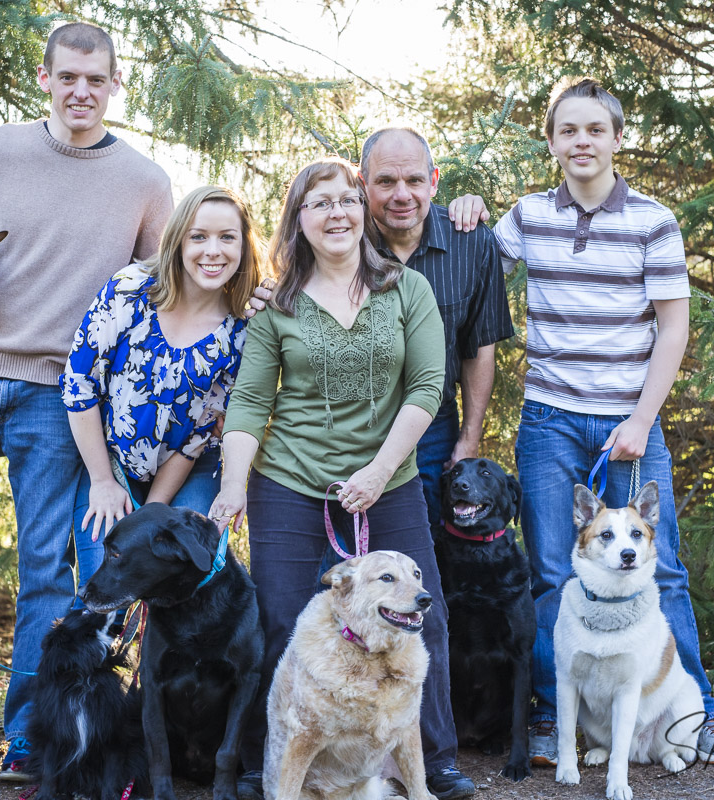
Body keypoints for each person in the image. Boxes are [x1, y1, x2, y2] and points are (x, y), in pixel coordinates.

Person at [0, 21, 173, 782]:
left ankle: (27, 737)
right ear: (45, 79)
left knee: (46, 571)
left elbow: (159, 288)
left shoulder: (146, 182)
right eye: (68, 77)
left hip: (60, 394)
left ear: (117, 85)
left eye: (97, 79)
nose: (82, 90)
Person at [457, 76, 714, 767]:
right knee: (556, 571)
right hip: (549, 423)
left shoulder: (653, 220)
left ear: (618, 139)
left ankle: (694, 717)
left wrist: (643, 420)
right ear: (552, 142)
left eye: (595, 130)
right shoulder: (527, 217)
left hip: (629, 423)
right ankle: (561, 718)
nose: (581, 142)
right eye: (568, 131)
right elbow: (468, 269)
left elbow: (672, 331)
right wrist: (462, 209)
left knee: (661, 565)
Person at [209, 157, 474, 800]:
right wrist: (233, 484)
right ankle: (268, 765)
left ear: (363, 212)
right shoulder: (279, 305)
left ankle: (429, 762)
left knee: (420, 617)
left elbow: (429, 385)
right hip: (291, 484)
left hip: (391, 478)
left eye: (347, 200)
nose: (336, 212)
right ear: (298, 220)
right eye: (319, 202)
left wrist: (379, 473)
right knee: (280, 621)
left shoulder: (406, 290)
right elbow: (249, 403)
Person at [61, 185, 266, 597]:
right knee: (105, 585)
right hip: (110, 462)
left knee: (191, 580)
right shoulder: (131, 290)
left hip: (186, 464)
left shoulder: (241, 331)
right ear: (177, 241)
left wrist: (153, 512)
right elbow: (79, 385)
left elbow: (199, 435)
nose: (214, 251)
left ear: (243, 247)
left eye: (227, 237)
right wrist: (102, 481)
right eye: (199, 236)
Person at [359, 127, 513, 528]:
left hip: (431, 428)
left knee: (423, 553)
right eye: (386, 181)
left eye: (413, 180)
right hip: (349, 424)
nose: (402, 194)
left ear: (434, 180)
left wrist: (468, 438)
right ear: (363, 184)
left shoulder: (473, 242)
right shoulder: (340, 240)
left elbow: (478, 349)